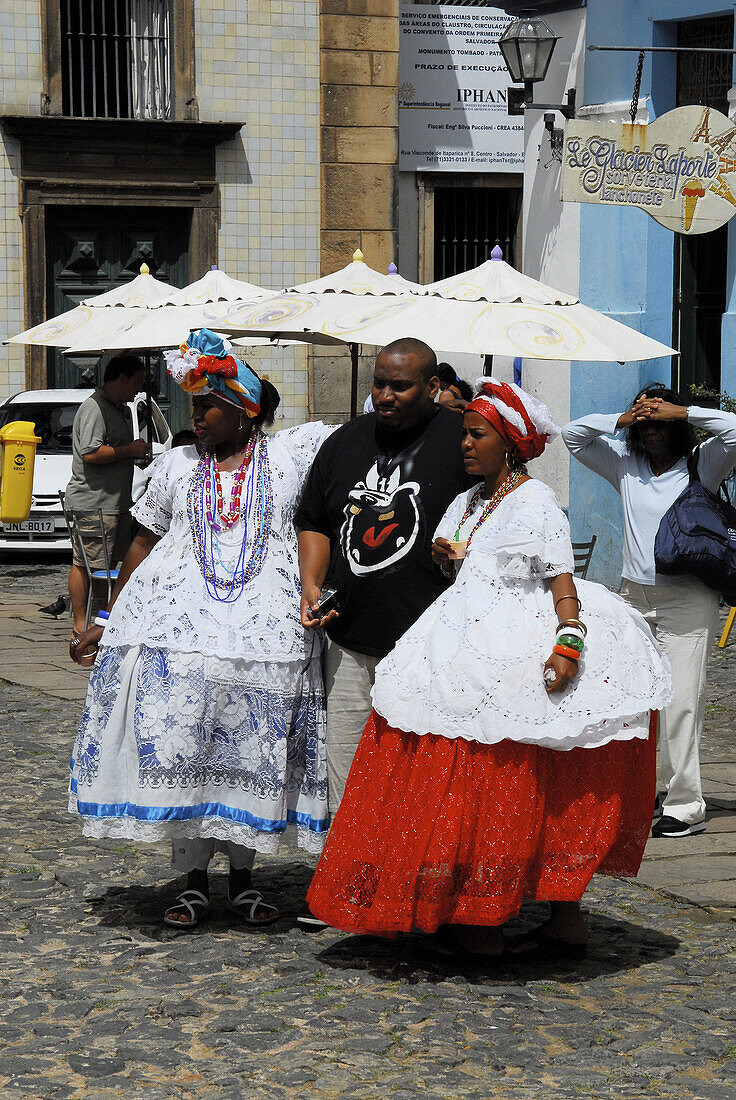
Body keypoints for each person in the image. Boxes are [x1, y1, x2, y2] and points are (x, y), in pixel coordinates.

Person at [306, 378, 670, 960]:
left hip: (514, 642)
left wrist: (569, 644)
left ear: (509, 443)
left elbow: (560, 580)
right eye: (467, 434)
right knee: (498, 769)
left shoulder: (533, 502)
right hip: (465, 631)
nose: (465, 445)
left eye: (477, 435)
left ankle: (494, 919)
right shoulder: (472, 499)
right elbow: (465, 560)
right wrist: (446, 558)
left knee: (516, 771)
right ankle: (507, 913)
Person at [68, 330, 334, 929]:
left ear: (244, 409)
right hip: (177, 633)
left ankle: (243, 880)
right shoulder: (177, 466)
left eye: (209, 407)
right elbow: (141, 541)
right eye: (193, 407)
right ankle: (191, 881)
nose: (198, 418)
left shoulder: (291, 459)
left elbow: (356, 453)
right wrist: (109, 617)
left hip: (264, 641)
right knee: (186, 746)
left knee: (246, 753)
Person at [296, 337, 472, 817]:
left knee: (422, 777)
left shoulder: (463, 439)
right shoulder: (343, 442)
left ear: (433, 386)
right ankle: (350, 881)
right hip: (350, 641)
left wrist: (461, 546)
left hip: (431, 645)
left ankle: (414, 881)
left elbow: (494, 509)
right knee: (346, 775)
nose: (385, 396)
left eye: (400, 386)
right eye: (379, 384)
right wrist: (311, 582)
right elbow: (312, 519)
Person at [563, 384, 736, 838]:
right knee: (634, 696)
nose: (653, 430)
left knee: (681, 700)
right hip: (633, 596)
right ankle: (647, 788)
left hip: (686, 598)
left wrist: (685, 411)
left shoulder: (703, 463)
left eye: (661, 422)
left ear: (676, 425)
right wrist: (622, 418)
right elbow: (573, 435)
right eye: (646, 422)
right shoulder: (625, 465)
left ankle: (686, 803)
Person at [65, 354, 149, 640]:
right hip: (94, 504)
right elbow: (91, 453)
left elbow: (117, 450)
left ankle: (105, 622)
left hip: (117, 504)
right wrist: (130, 450)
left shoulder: (120, 409)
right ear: (121, 379)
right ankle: (84, 626)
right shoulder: (94, 408)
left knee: (112, 565)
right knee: (90, 565)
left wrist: (135, 455)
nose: (138, 389)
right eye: (135, 382)